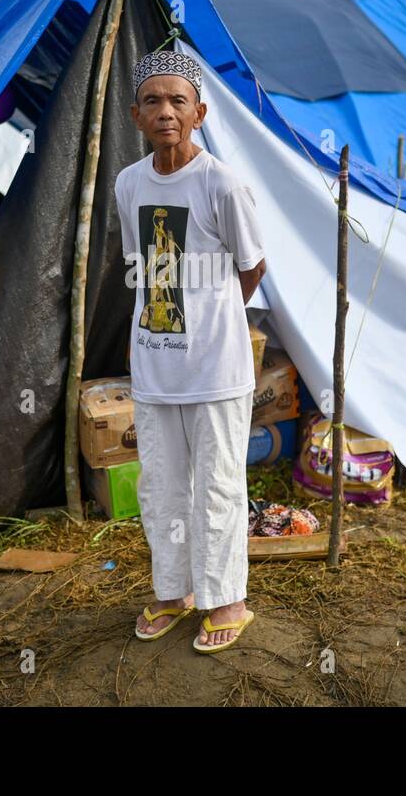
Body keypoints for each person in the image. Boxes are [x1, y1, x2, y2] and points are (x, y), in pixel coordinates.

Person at [114, 49, 267, 654]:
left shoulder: (222, 184)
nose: (166, 112)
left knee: (220, 486)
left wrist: (210, 316)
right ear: (135, 114)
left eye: (179, 101)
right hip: (155, 367)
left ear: (200, 112)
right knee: (161, 487)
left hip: (216, 369)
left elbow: (250, 269)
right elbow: (142, 268)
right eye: (153, 101)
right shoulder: (130, 183)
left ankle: (228, 600)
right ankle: (173, 591)